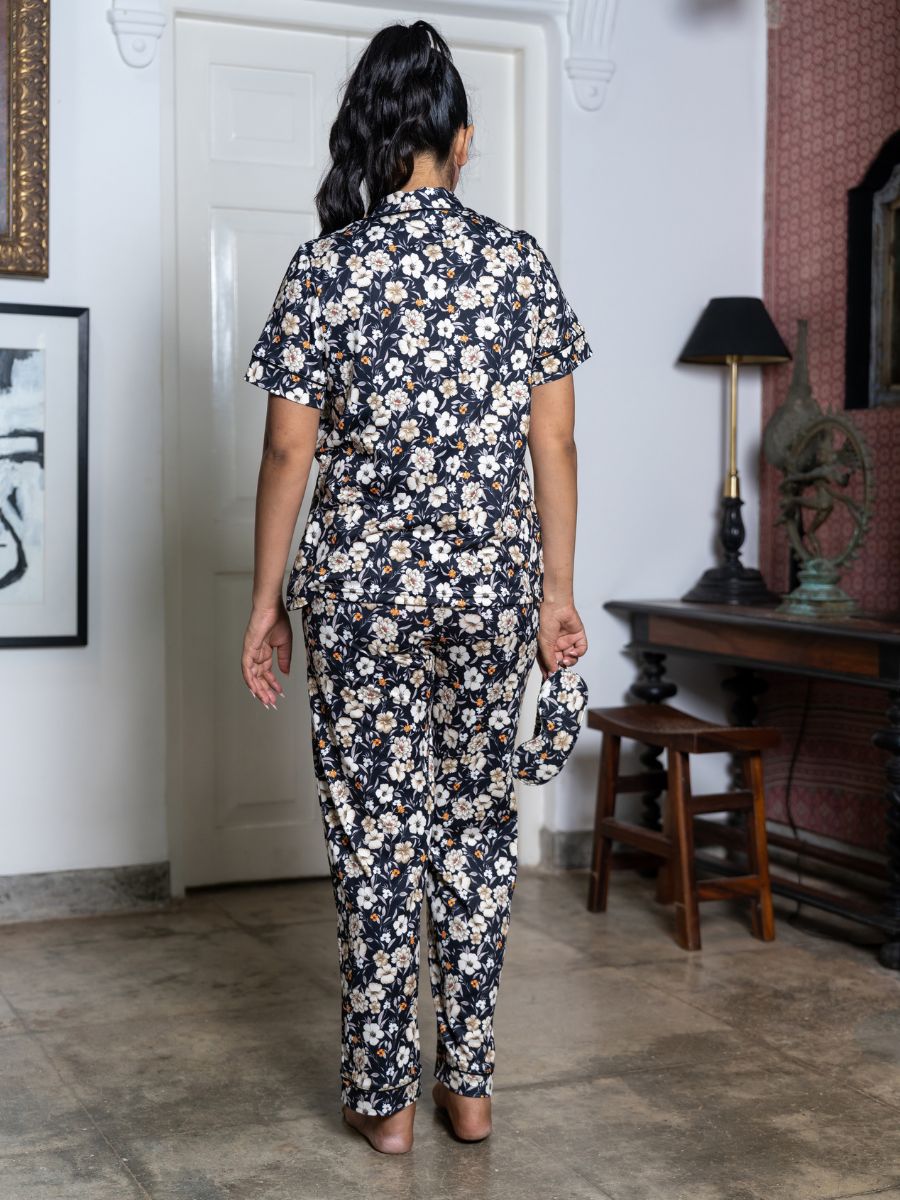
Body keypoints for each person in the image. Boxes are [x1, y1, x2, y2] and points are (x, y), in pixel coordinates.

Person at [240, 18, 592, 1155]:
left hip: (362, 599)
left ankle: (383, 1101)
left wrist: (266, 605)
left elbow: (289, 454)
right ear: (462, 140)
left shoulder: (324, 270)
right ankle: (472, 1088)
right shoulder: (521, 264)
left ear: (371, 140)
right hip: (491, 593)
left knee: (374, 836)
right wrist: (557, 593)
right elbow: (557, 448)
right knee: (479, 834)